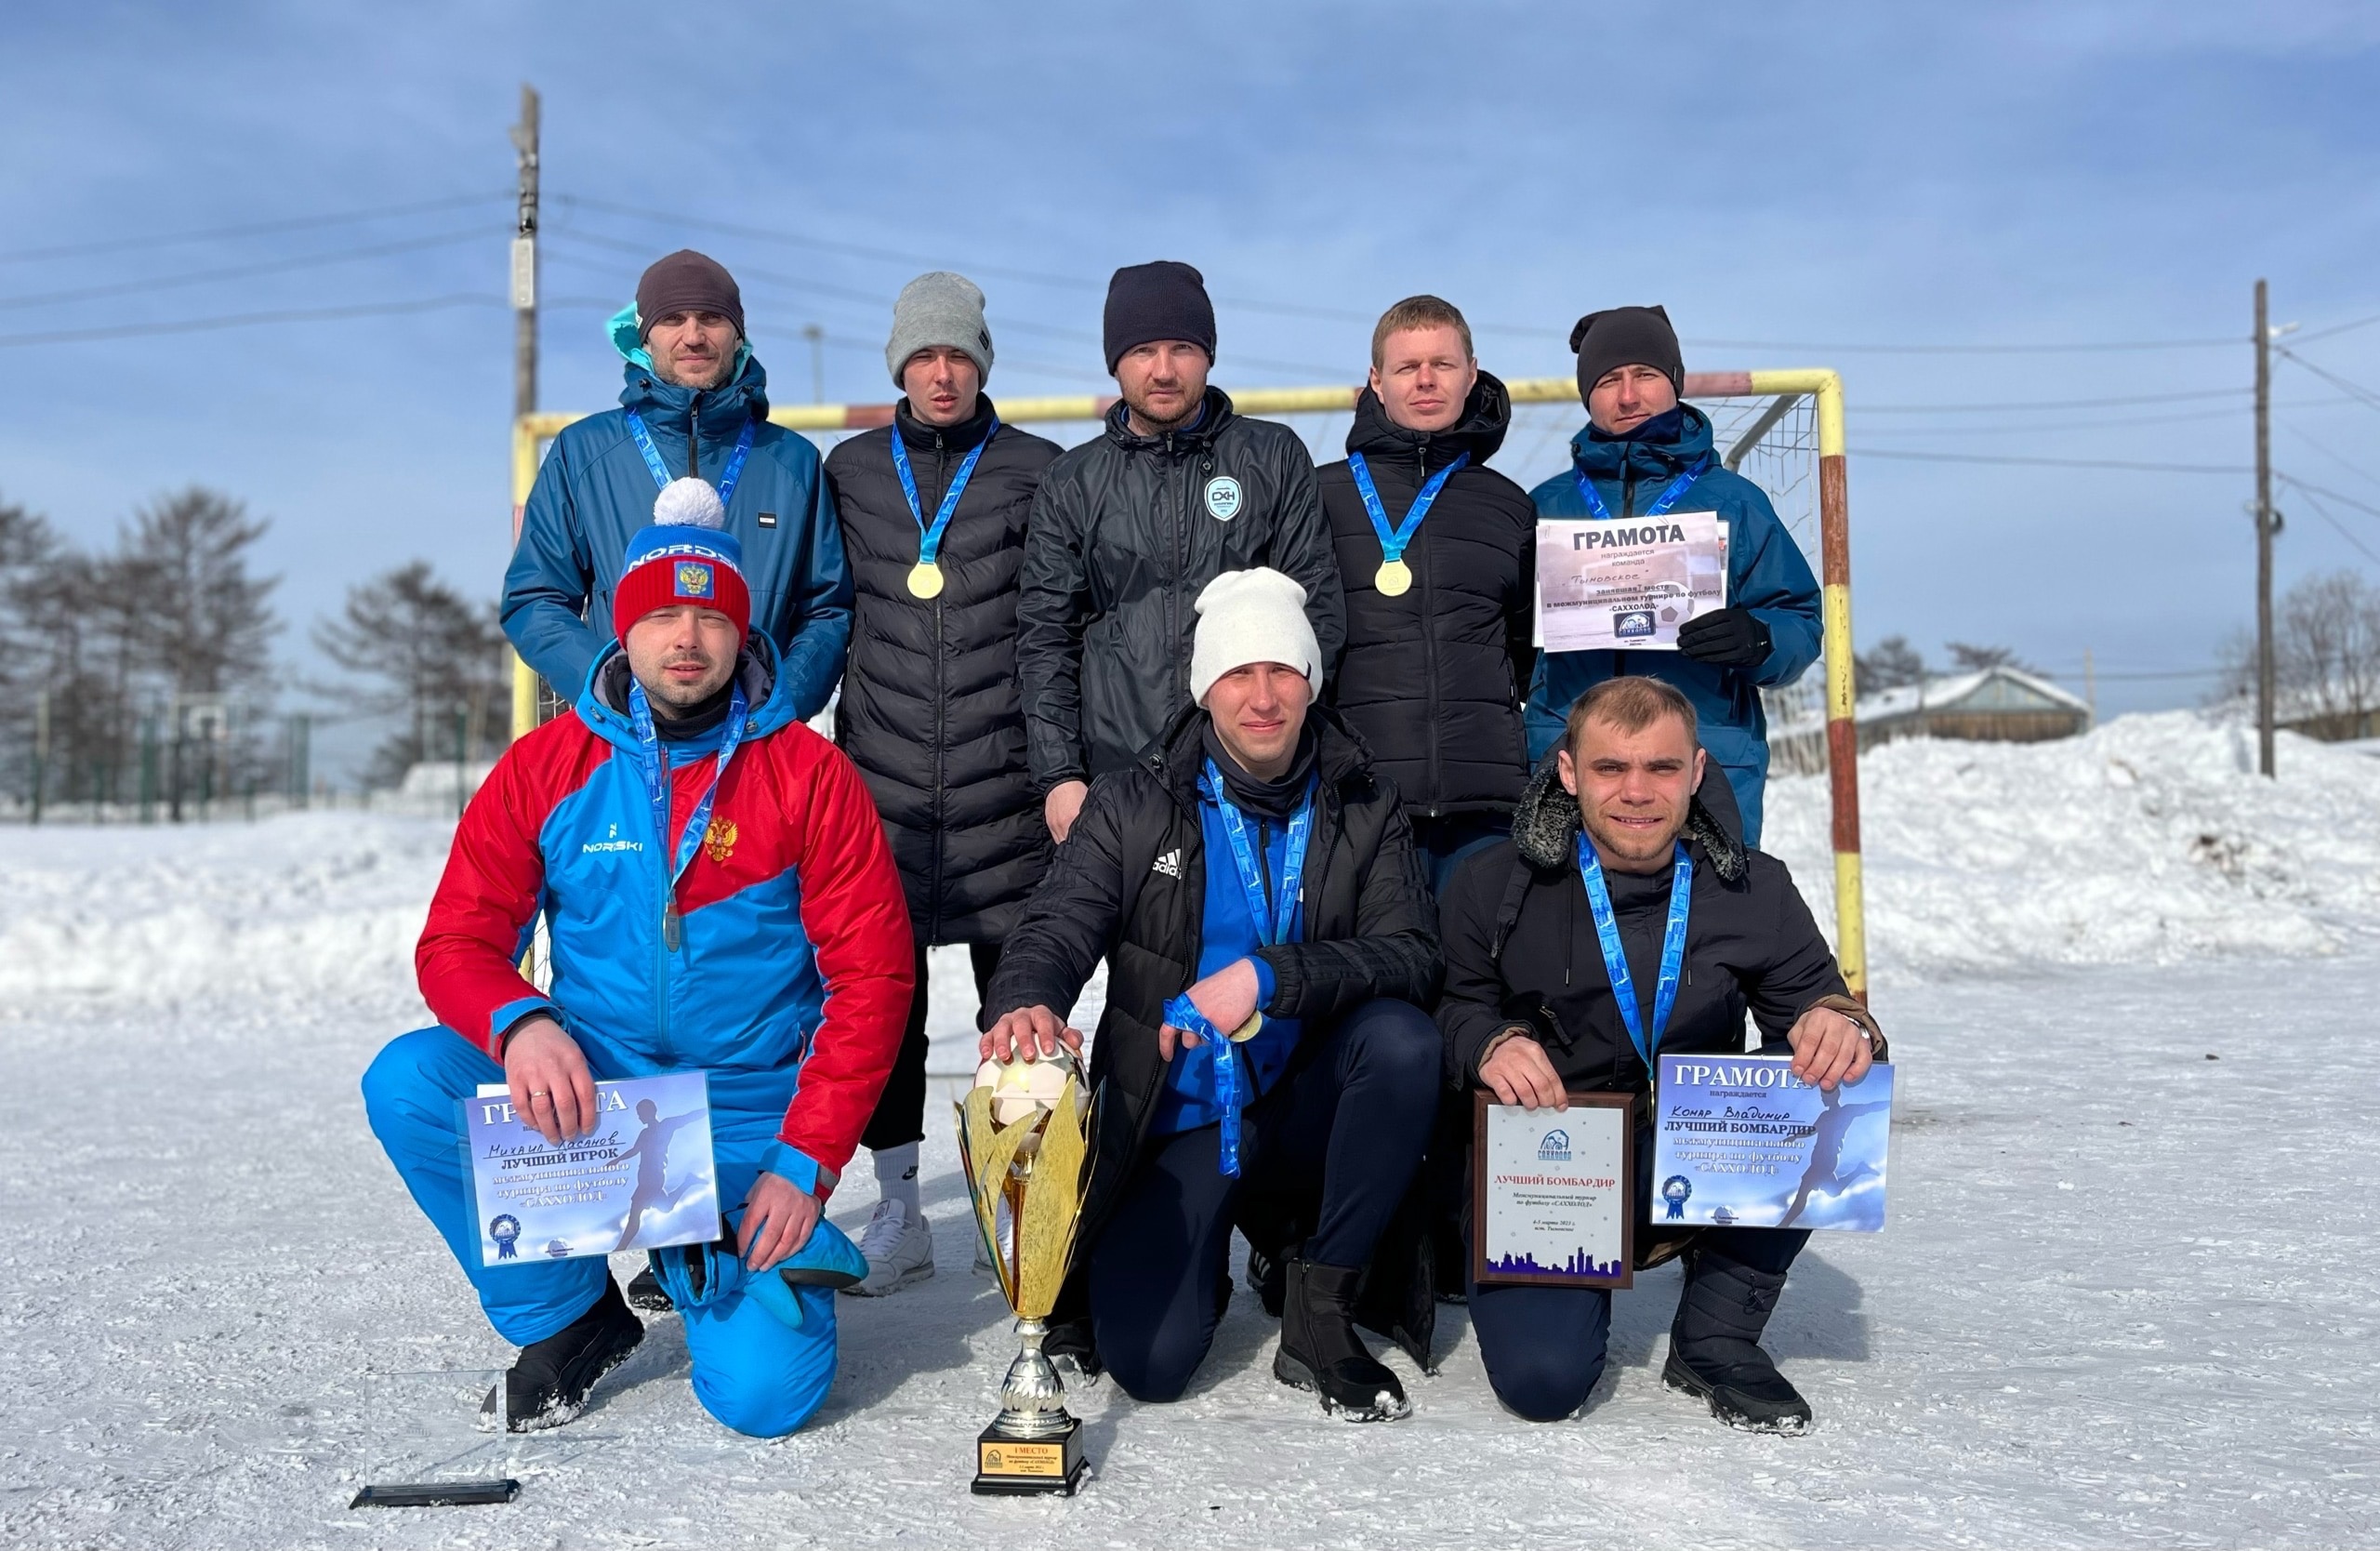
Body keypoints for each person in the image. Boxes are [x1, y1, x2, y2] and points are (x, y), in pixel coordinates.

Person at [363, 489, 912, 1437]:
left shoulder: (808, 775)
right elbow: (456, 943)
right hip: (599, 1101)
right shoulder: (546, 766)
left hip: (743, 1122)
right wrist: (524, 1025)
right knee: (412, 1080)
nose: (687, 638)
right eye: (662, 614)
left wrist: (805, 1162)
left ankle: (707, 1249)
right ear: (624, 628)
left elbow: (873, 983)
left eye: (710, 616)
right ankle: (570, 1318)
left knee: (763, 1399)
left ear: (742, 633)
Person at [981, 568, 1441, 1419]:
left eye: (1283, 671)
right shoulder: (1133, 801)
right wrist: (1025, 997)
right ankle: (1205, 1257)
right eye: (1239, 673)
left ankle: (1320, 1306)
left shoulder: (1365, 800)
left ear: (1310, 680)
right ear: (1205, 688)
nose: (1263, 698)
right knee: (1150, 1365)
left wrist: (1267, 976)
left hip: (1309, 1104)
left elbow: (1411, 954)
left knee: (1404, 1041)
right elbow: (1056, 925)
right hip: (1182, 1113)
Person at [1435, 676, 1886, 1432]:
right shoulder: (1493, 882)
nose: (1637, 792)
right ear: (1570, 773)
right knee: (1545, 1385)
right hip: (1552, 1162)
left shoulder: (1755, 886)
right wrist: (1487, 1037)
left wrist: (1840, 1024)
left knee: (1820, 1082)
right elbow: (1445, 1003)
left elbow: (1819, 997)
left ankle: (1716, 1336)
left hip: (1691, 1145)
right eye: (1611, 769)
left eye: (1662, 769)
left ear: (1698, 773)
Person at [822, 272, 1062, 1294]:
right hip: (878, 792)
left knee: (1017, 1010)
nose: (941, 371)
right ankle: (900, 1210)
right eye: (923, 356)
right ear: (898, 367)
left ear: (982, 362)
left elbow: (1061, 625)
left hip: (1003, 789)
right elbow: (822, 610)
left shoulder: (1036, 468)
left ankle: (1025, 1209)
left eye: (958, 354)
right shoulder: (849, 471)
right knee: (888, 1014)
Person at [1018, 260, 1344, 844]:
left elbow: (1314, 611)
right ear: (1115, 361)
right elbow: (1046, 637)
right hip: (1116, 782)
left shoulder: (1272, 457)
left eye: (1183, 348)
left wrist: (1286, 749)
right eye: (1143, 350)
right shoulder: (1072, 481)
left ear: (1209, 355)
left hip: (1251, 777)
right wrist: (1060, 774)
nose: (1164, 370)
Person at [1523, 305, 1821, 845]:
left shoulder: (1734, 502)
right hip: (1570, 765)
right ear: (1587, 394)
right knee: (1565, 924)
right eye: (1609, 380)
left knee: (1709, 923)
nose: (1629, 395)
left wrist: (1758, 638)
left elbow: (1800, 619)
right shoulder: (1545, 506)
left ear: (1675, 383)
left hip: (1702, 764)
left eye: (1645, 376)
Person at [504, 248, 852, 713]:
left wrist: (782, 702)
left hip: (754, 742)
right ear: (644, 338)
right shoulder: (582, 452)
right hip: (624, 740)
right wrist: (611, 691)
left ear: (738, 334)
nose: (693, 336)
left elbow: (827, 608)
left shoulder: (792, 461)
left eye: (711, 317)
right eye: (672, 319)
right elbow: (535, 596)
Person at [1321, 294, 1535, 886]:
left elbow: (1526, 654)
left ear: (1471, 373)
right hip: (1358, 805)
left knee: (1476, 981)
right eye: (1406, 367)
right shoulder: (1320, 498)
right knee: (1380, 977)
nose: (1425, 381)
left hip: (1487, 811)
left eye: (1442, 364)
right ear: (1375, 382)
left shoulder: (1511, 507)